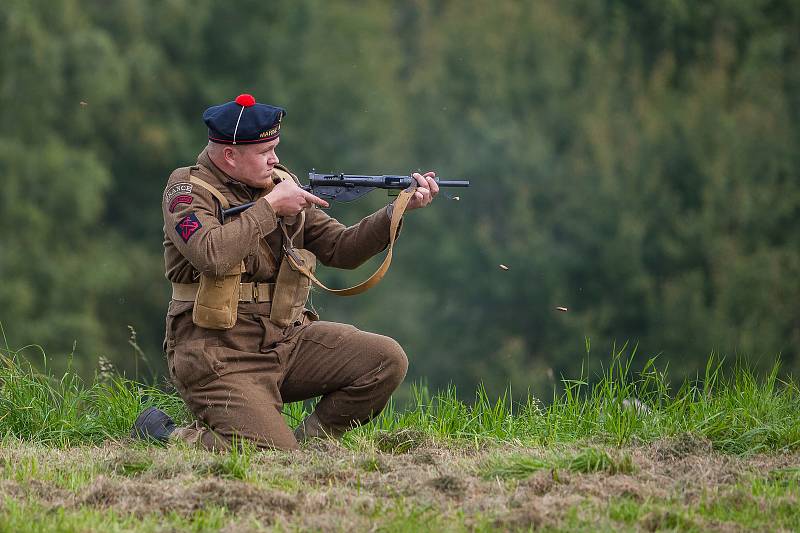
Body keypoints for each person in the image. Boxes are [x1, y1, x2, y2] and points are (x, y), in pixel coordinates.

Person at [131, 94, 437, 451]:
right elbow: (209, 253)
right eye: (265, 152)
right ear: (230, 155)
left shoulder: (279, 183)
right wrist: (269, 208)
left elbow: (341, 249)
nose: (275, 158)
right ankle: (172, 436)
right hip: (217, 352)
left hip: (284, 341)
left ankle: (309, 446)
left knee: (386, 360)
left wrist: (395, 211)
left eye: (275, 148)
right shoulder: (186, 190)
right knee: (267, 458)